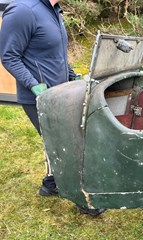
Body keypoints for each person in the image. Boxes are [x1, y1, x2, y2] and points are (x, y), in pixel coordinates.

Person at [0, 0, 105, 216]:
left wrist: (71, 75)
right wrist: (33, 85)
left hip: (60, 94)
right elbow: (9, 55)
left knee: (54, 140)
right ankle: (82, 198)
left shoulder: (54, 11)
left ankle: (50, 183)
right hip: (39, 97)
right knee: (66, 144)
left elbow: (56, 55)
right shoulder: (23, 10)